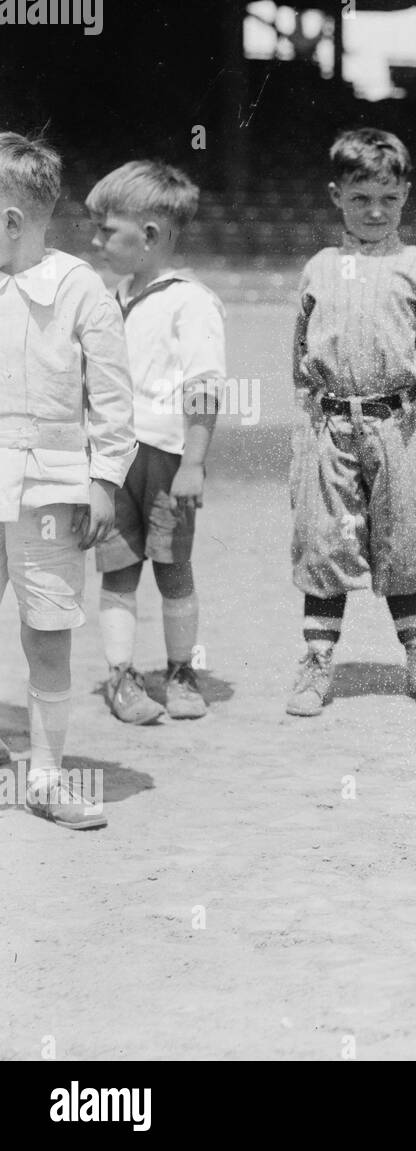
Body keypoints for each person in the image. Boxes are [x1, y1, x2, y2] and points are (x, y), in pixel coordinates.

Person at [287, 128, 416, 716]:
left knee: (405, 543)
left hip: (400, 428)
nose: (374, 211)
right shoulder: (319, 267)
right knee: (322, 543)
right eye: (361, 197)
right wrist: (309, 430)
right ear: (337, 194)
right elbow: (300, 360)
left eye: (387, 198)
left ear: (405, 195)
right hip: (330, 426)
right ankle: (316, 668)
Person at [0, 133, 136, 829]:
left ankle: (46, 775)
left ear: (13, 221)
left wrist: (105, 481)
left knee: (45, 634)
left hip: (49, 491)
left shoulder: (80, 288)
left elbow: (114, 398)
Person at [85, 160, 226, 722]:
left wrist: (194, 463)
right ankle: (121, 676)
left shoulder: (190, 301)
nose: (94, 241)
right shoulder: (106, 297)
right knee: (117, 567)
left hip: (168, 458)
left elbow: (203, 387)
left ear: (148, 236)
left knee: (172, 567)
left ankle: (180, 671)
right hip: (113, 459)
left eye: (106, 231)